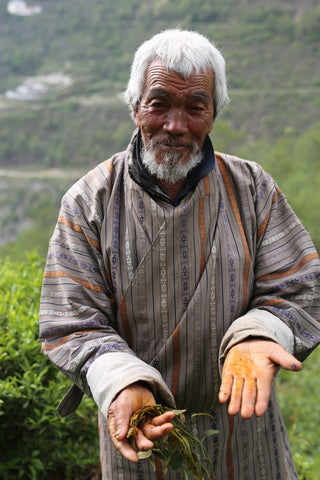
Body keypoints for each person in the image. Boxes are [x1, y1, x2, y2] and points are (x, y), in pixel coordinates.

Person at [39, 29, 320, 479]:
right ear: (135, 107)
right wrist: (122, 382)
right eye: (159, 103)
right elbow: (71, 321)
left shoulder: (252, 189)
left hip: (244, 431)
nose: (176, 124)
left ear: (213, 114)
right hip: (139, 430)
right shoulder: (90, 200)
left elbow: (300, 286)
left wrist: (258, 333)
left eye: (195, 107)